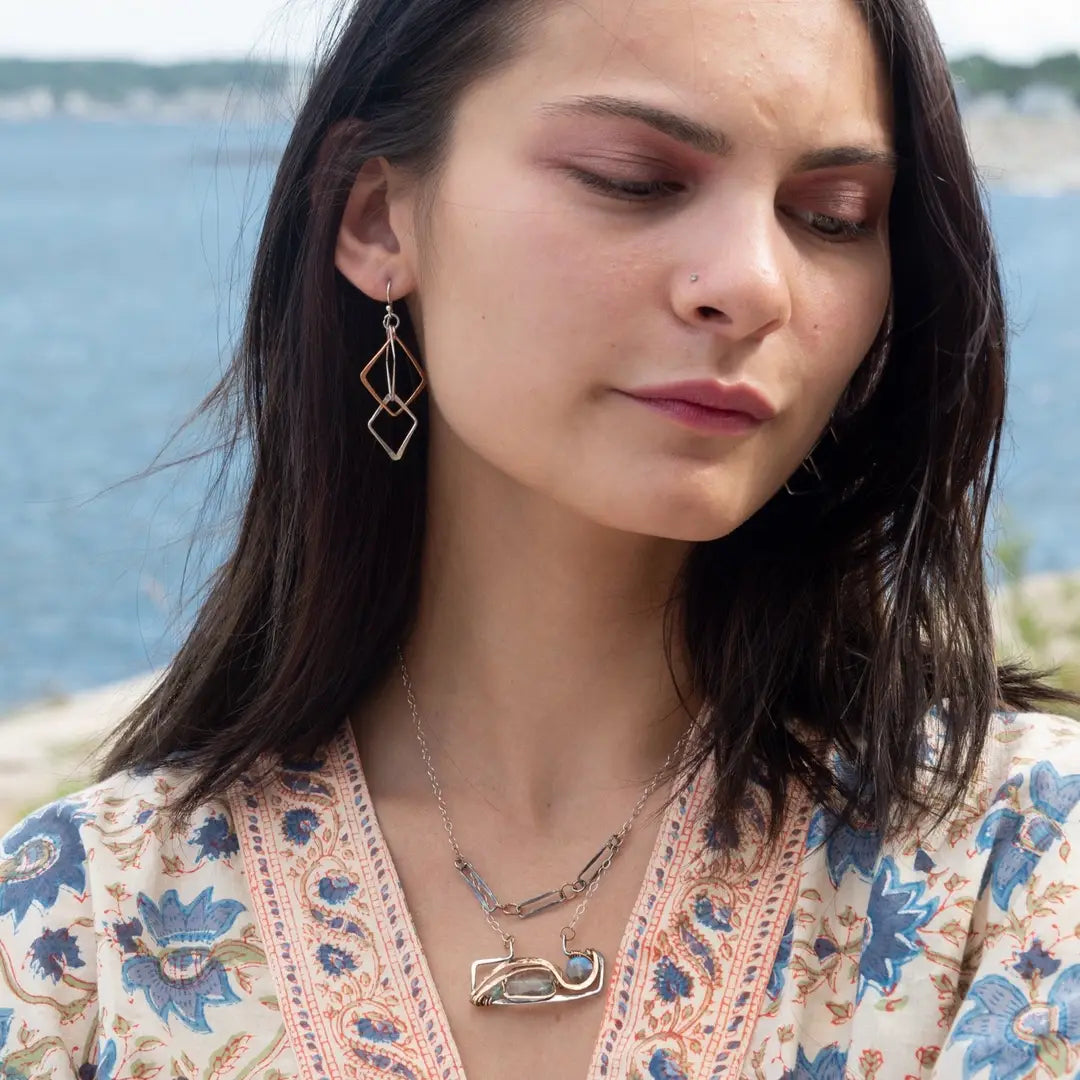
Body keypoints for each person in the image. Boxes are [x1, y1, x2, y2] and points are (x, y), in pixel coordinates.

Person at [3, 0, 1079, 1076]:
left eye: (833, 217)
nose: (756, 285)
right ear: (378, 220)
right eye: (634, 179)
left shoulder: (1022, 869)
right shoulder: (76, 933)